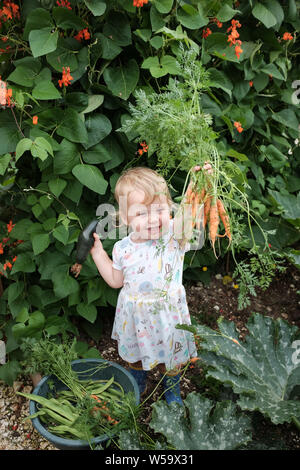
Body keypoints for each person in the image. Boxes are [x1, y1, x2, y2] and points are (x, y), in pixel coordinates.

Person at [90, 165, 211, 405]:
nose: (153, 219)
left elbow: (189, 215)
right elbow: (115, 281)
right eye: (141, 213)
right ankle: (138, 383)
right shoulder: (122, 248)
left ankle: (172, 389)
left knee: (173, 359)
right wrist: (97, 254)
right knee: (135, 356)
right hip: (136, 317)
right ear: (126, 218)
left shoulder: (174, 236)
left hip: (168, 315)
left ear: (170, 208)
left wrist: (198, 186)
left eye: (160, 209)